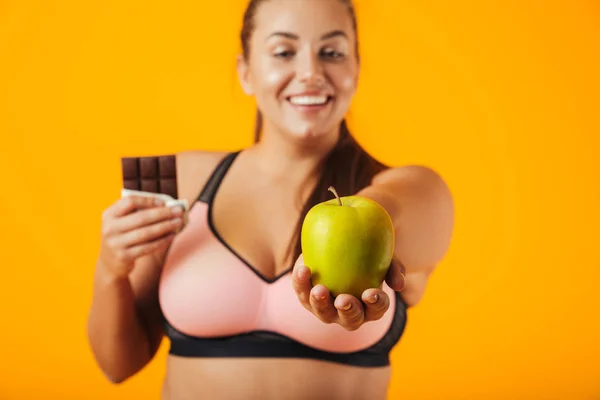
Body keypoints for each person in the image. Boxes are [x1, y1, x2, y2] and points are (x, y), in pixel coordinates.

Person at [86, 0, 455, 399]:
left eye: (331, 52)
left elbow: (388, 207)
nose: (311, 73)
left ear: (356, 69)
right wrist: (111, 269)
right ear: (245, 72)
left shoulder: (416, 191)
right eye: (284, 52)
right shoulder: (175, 179)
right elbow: (117, 366)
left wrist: (363, 226)